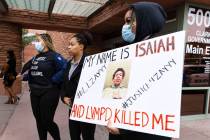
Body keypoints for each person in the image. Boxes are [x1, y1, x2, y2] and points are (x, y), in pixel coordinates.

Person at [107, 2, 172, 140]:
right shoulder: (125, 52)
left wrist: (124, 128)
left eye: (129, 21)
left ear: (145, 21)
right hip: (118, 127)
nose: (125, 26)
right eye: (125, 22)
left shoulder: (163, 55)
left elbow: (157, 105)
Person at [21, 33, 66, 140]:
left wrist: (54, 79)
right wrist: (24, 77)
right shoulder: (36, 57)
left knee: (46, 121)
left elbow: (65, 69)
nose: (36, 43)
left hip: (49, 92)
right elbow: (35, 71)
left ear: (45, 42)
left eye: (38, 40)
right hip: (35, 92)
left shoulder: (55, 56)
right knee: (39, 120)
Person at [60, 32, 96, 140]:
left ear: (81, 46)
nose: (69, 47)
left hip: (87, 110)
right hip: (72, 109)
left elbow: (94, 88)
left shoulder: (91, 63)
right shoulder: (68, 63)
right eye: (69, 44)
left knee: (88, 137)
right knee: (74, 136)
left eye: (72, 44)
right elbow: (64, 84)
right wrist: (63, 97)